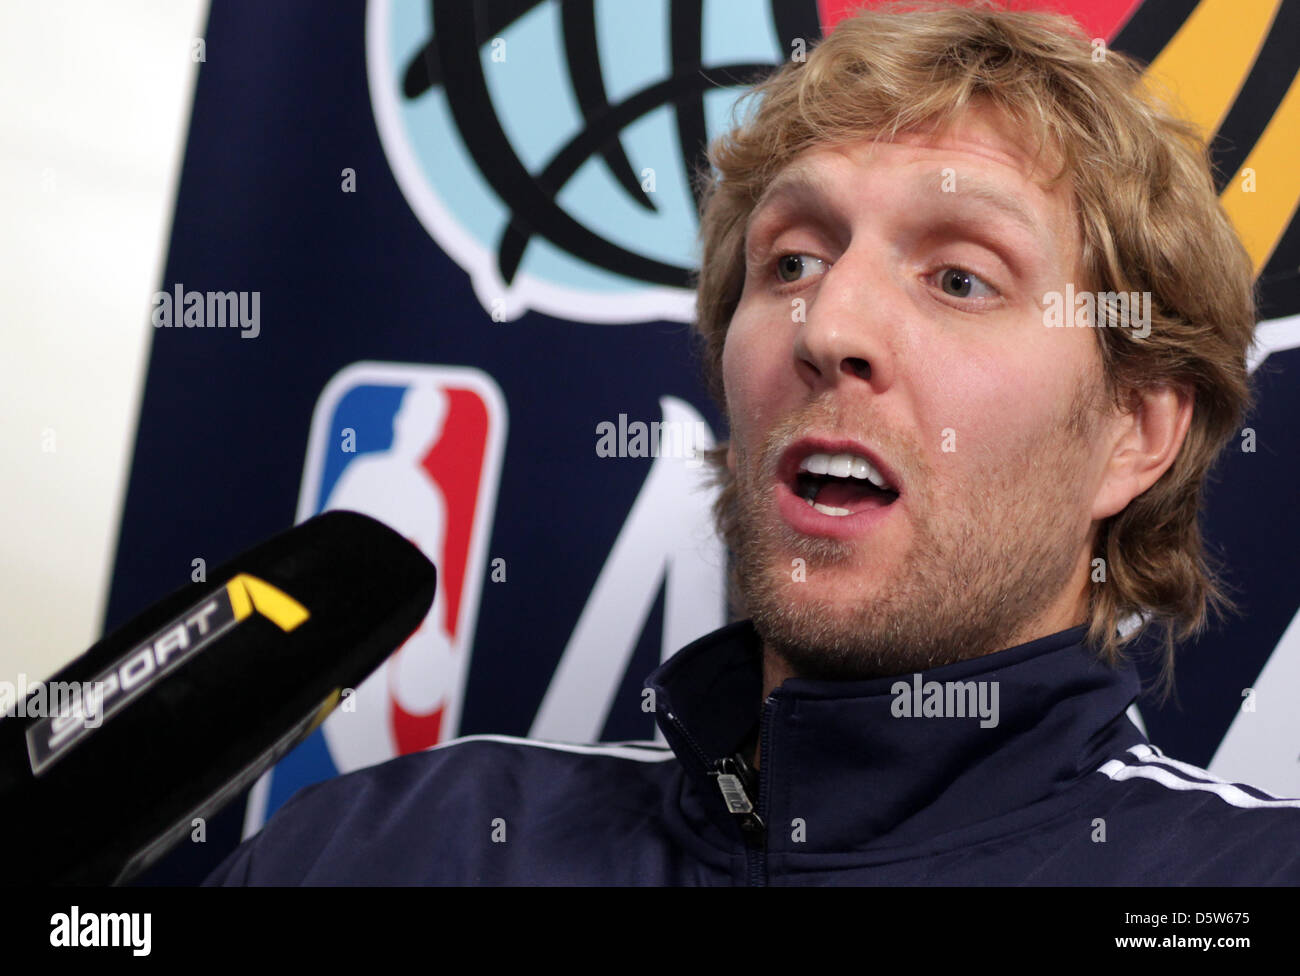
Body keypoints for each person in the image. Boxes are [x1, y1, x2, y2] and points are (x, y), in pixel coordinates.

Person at [206, 2, 1300, 885]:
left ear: (1134, 430)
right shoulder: (392, 847)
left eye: (961, 277)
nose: (827, 328)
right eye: (790, 261)